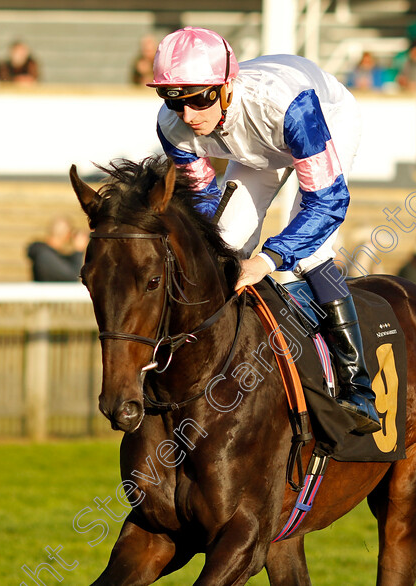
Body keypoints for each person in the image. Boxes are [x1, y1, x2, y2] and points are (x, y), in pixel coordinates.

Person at [149, 27, 380, 433]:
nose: (188, 115)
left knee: (309, 252)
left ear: (226, 85)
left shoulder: (287, 106)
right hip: (255, 147)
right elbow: (204, 209)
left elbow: (328, 203)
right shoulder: (173, 127)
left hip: (322, 120)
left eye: (200, 98)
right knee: (226, 243)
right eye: (174, 100)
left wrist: (267, 259)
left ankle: (356, 385)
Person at [26, 216, 86, 282]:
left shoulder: (48, 254)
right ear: (67, 235)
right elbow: (72, 277)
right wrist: (78, 251)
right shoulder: (45, 255)